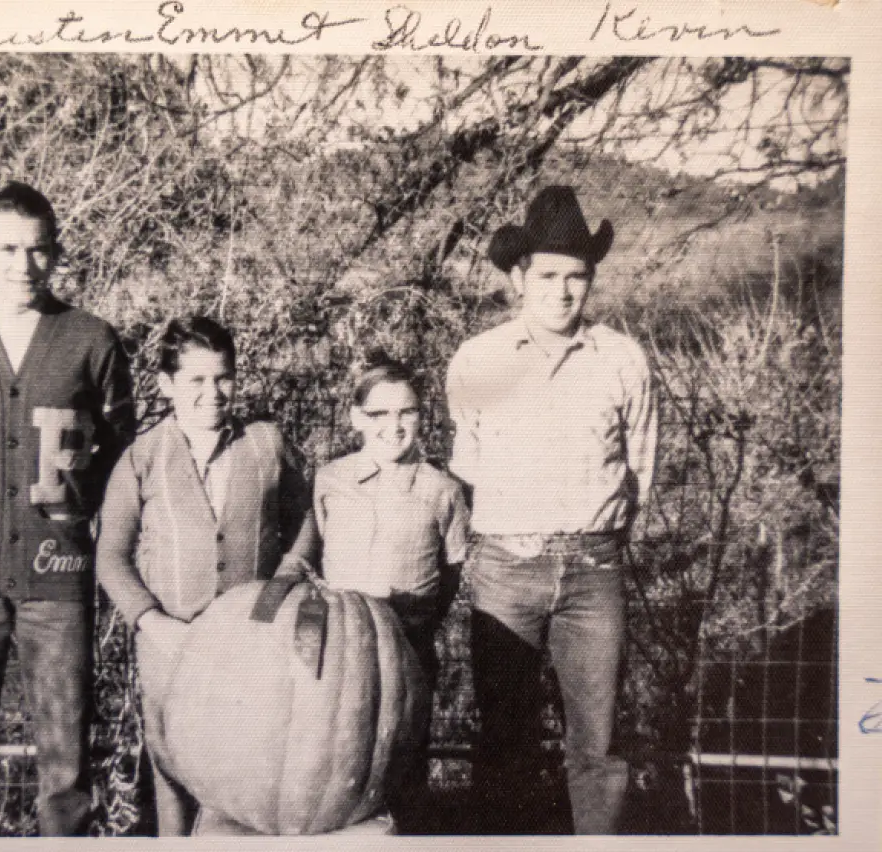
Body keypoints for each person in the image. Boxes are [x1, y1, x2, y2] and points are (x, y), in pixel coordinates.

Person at [0, 181, 135, 836]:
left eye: (38, 251)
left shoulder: (90, 339)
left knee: (66, 765)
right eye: (7, 249)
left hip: (58, 579)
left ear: (56, 252)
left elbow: (117, 447)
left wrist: (68, 514)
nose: (23, 266)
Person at [445, 185, 658, 834]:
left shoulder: (622, 360)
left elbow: (640, 473)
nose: (564, 292)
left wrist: (602, 547)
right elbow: (468, 468)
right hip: (505, 572)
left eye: (577, 278)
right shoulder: (479, 360)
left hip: (594, 574)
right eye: (548, 276)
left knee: (597, 744)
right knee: (503, 739)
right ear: (518, 278)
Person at [95, 316, 310, 837]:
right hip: (170, 649)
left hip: (251, 647)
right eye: (196, 380)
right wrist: (153, 623)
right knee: (173, 777)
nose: (213, 393)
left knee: (247, 778)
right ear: (166, 384)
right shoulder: (141, 458)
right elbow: (111, 557)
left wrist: (271, 602)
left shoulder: (268, 444)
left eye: (223, 378)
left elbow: (305, 526)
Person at [287, 354, 470, 833]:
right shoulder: (330, 480)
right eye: (379, 414)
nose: (394, 425)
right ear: (355, 418)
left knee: (403, 762)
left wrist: (417, 619)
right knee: (337, 765)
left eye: (406, 412)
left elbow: (450, 573)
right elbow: (314, 550)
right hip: (341, 652)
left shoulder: (442, 489)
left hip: (409, 647)